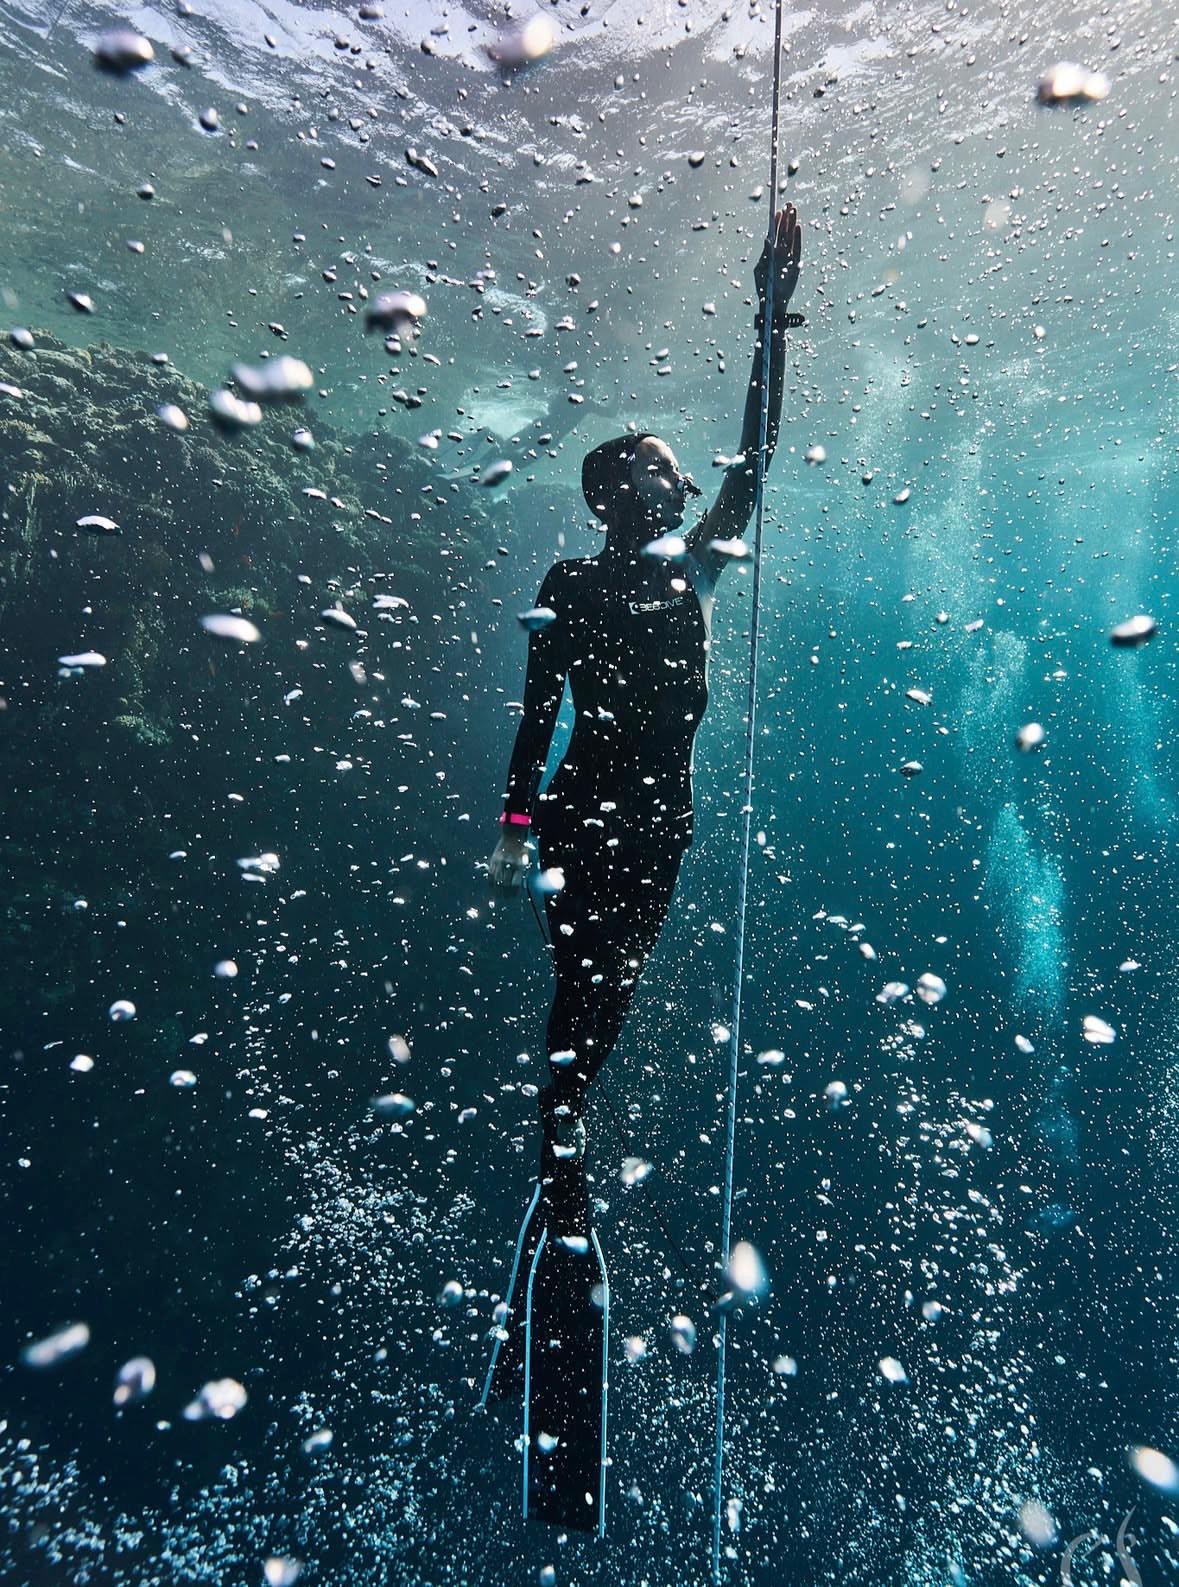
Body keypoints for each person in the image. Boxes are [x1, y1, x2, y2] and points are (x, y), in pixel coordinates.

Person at [480, 206, 802, 1532]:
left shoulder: (688, 559)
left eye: (674, 473)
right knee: (587, 1008)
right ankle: (558, 1162)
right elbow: (533, 710)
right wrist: (512, 831)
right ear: (624, 495)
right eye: (656, 474)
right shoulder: (601, 574)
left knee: (589, 1011)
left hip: (620, 821)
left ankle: (559, 1155)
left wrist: (772, 305)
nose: (674, 483)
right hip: (604, 817)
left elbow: (763, 445)